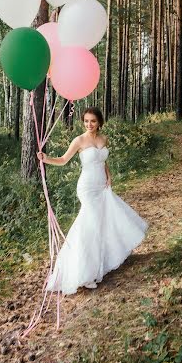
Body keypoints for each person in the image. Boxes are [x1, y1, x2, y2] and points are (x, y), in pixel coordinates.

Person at [37, 107, 148, 293]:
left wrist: (109, 176)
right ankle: (84, 272)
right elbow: (64, 160)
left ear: (99, 122)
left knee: (103, 223)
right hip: (87, 188)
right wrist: (46, 158)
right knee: (89, 225)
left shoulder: (104, 139)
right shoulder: (79, 140)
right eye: (86, 121)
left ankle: (102, 262)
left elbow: (103, 161)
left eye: (93, 121)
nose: (89, 124)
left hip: (102, 186)